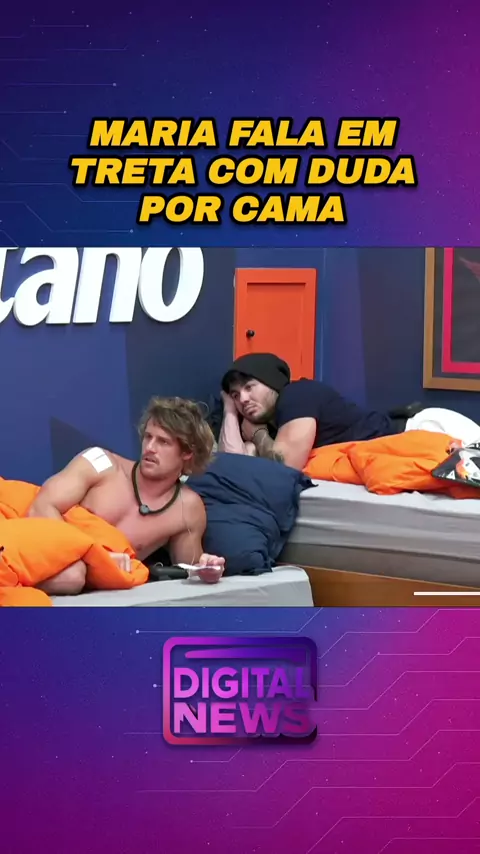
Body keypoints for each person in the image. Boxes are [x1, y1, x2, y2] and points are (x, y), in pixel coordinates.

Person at [27, 397, 225, 595]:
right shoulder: (100, 463)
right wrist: (92, 555)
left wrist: (206, 568)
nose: (150, 448)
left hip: (90, 581)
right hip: (36, 550)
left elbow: (188, 568)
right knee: (72, 576)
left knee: (73, 576)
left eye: (163, 441)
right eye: (148, 437)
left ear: (187, 452)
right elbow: (41, 506)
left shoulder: (187, 507)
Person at [219, 352, 480, 470]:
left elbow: (286, 466)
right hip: (409, 443)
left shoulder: (297, 395)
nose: (243, 399)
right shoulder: (273, 425)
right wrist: (230, 411)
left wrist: (257, 435)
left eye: (249, 387)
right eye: (235, 394)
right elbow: (229, 466)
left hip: (425, 430)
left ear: (273, 383)